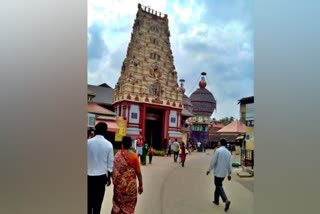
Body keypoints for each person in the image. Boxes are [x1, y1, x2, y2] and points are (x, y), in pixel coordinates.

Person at [112, 136, 143, 214]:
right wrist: (141, 185)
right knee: (130, 206)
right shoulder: (134, 156)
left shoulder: (118, 155)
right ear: (130, 145)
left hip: (119, 188)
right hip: (131, 188)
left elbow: (114, 171)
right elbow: (138, 173)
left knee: (118, 206)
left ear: (122, 144)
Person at [87, 122, 114, 214]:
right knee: (98, 203)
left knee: (88, 202)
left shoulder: (88, 143)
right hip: (101, 178)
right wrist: (109, 177)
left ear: (95, 130)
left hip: (88, 177)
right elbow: (110, 165)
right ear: (105, 131)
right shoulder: (109, 145)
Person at [206, 138, 232, 212]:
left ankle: (226, 200)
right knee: (218, 185)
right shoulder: (228, 152)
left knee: (218, 185)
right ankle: (216, 200)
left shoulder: (218, 150)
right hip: (224, 173)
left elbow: (213, 161)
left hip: (218, 172)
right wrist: (229, 174)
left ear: (221, 143)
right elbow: (229, 164)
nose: (218, 143)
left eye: (218, 142)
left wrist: (209, 169)